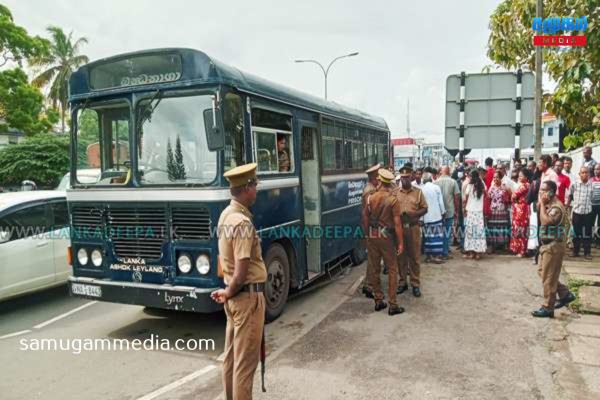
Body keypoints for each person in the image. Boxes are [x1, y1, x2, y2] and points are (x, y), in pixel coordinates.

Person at [211, 163, 267, 400]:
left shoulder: (226, 215)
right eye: (254, 185)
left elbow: (225, 260)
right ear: (246, 188)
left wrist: (227, 291)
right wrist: (230, 289)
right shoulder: (242, 223)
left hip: (235, 299)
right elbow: (242, 267)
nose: (256, 190)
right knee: (245, 366)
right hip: (247, 299)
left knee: (231, 360)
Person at [362, 169, 405, 315]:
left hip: (373, 235)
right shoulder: (393, 200)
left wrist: (367, 234)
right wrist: (400, 243)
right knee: (393, 269)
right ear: (390, 183)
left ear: (380, 180)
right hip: (386, 236)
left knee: (375, 269)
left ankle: (378, 300)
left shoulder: (371, 198)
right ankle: (393, 304)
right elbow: (397, 223)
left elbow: (365, 217)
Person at [532, 180, 576, 318]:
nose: (541, 193)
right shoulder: (549, 204)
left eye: (543, 191)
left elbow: (545, 221)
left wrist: (543, 204)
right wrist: (543, 204)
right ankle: (564, 293)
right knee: (543, 272)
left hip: (554, 245)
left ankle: (548, 307)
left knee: (549, 278)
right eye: (540, 191)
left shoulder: (556, 207)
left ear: (551, 192)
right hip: (547, 244)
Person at [396, 164, 428, 297]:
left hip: (413, 228)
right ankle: (402, 282)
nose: (405, 180)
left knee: (414, 257)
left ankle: (415, 284)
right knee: (401, 257)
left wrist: (414, 214)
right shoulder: (395, 193)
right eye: (402, 177)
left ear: (412, 177)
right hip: (400, 229)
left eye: (407, 177)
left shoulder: (418, 192)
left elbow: (425, 208)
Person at [361, 163, 382, 298]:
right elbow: (366, 214)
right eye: (378, 177)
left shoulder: (372, 188)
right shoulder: (370, 191)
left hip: (373, 229)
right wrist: (367, 233)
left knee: (373, 259)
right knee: (374, 260)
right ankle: (370, 286)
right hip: (372, 229)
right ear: (374, 177)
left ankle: (368, 285)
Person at [567, 167, 593, 260]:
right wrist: (567, 206)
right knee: (576, 233)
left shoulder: (592, 185)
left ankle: (587, 252)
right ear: (579, 174)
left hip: (588, 212)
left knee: (587, 233)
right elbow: (570, 195)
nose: (584, 174)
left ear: (589, 174)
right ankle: (575, 251)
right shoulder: (574, 184)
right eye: (582, 173)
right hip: (577, 212)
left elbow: (593, 197)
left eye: (586, 172)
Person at [435, 166, 460, 260]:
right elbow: (456, 197)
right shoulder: (453, 182)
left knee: (440, 232)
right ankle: (445, 252)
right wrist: (456, 209)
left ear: (441, 172)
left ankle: (439, 251)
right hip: (449, 210)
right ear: (449, 172)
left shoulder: (436, 182)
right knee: (447, 232)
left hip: (438, 212)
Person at [421, 172, 445, 264]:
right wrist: (443, 212)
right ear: (431, 179)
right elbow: (441, 203)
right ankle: (437, 256)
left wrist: (421, 219)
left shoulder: (422, 190)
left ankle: (429, 256)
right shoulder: (436, 188)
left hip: (426, 216)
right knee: (437, 237)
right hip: (436, 215)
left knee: (428, 237)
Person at [463, 169, 487, 259]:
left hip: (471, 211)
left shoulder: (470, 185)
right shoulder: (482, 184)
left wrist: (464, 209)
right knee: (478, 231)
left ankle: (472, 252)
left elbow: (465, 198)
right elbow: (486, 193)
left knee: (471, 231)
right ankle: (478, 253)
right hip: (479, 212)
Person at [487, 171, 511, 252]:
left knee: (502, 227)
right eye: (494, 177)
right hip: (493, 210)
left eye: (497, 177)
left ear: (500, 178)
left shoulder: (504, 187)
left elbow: (510, 196)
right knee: (493, 227)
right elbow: (488, 198)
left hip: (502, 210)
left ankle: (503, 245)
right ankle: (493, 245)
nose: (495, 179)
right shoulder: (491, 188)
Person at [510, 169, 531, 257]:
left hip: (521, 209)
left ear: (526, 177)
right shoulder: (525, 185)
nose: (519, 177)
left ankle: (521, 250)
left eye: (521, 175)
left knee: (520, 229)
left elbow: (514, 196)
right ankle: (519, 249)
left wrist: (513, 196)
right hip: (521, 208)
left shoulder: (524, 185)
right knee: (520, 229)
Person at [591, 164, 600, 248]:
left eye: (598, 169)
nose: (596, 171)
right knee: (591, 223)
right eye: (595, 169)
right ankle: (591, 240)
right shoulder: (591, 180)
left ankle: (598, 241)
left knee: (599, 224)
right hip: (592, 205)